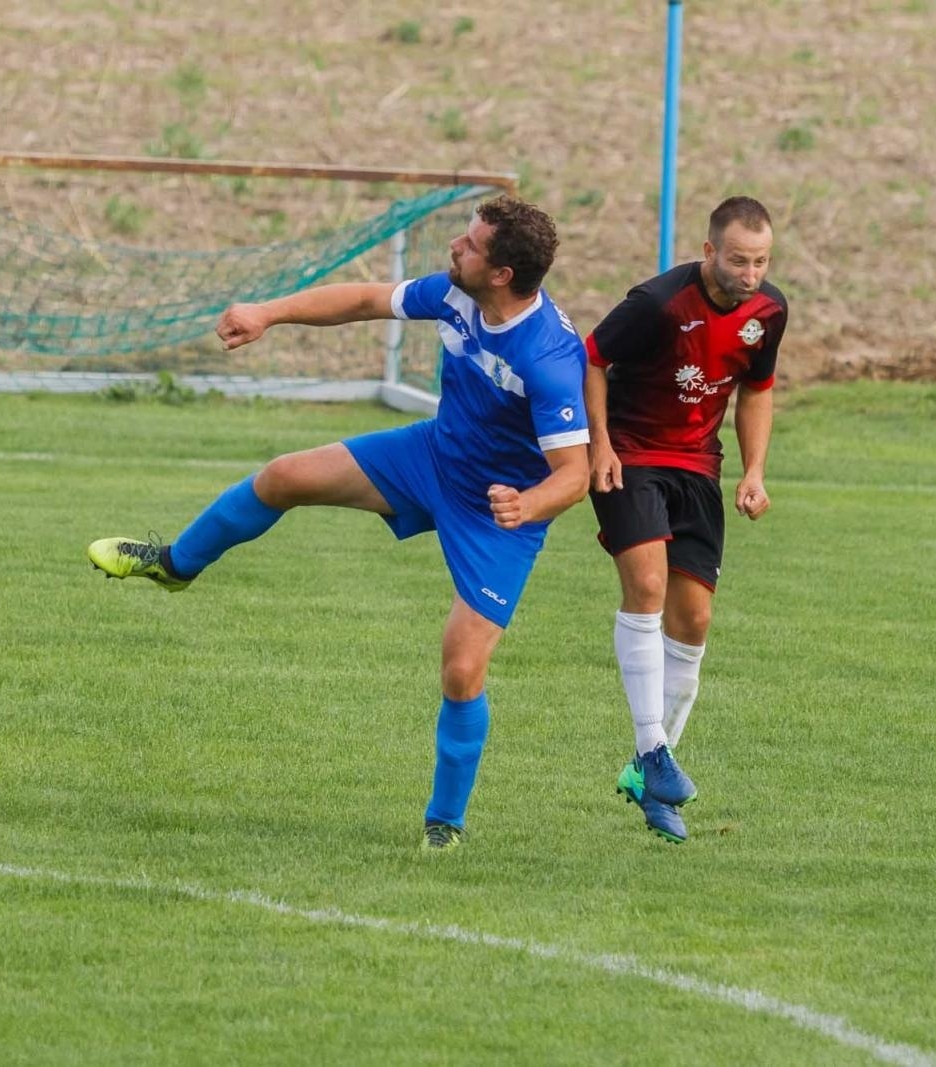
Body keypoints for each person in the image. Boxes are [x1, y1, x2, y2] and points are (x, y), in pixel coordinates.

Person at [86, 196, 593, 848]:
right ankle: (173, 563)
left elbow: (573, 476)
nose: (454, 249)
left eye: (469, 246)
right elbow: (364, 299)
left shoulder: (549, 358)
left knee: (462, 667)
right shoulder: (456, 295)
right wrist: (269, 313)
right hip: (432, 457)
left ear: (501, 274)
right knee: (283, 476)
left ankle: (445, 824)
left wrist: (529, 505)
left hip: (499, 512)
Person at [584, 197, 788, 842]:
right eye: (737, 260)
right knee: (645, 588)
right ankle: (653, 751)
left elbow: (757, 389)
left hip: (698, 467)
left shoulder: (768, 312)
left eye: (760, 261)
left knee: (694, 620)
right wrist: (600, 445)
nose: (750, 273)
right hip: (633, 457)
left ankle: (649, 775)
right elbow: (590, 357)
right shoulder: (657, 304)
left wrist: (753, 472)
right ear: (708, 252)